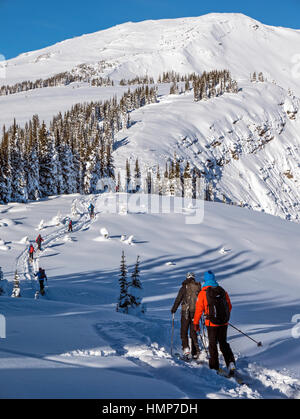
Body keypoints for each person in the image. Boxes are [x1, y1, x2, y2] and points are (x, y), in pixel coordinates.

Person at [194, 271, 235, 375]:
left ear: (205, 280)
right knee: (223, 343)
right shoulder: (222, 291)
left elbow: (199, 309)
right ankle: (230, 363)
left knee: (212, 345)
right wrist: (223, 317)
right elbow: (229, 306)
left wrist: (196, 323)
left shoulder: (203, 293)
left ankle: (214, 367)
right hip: (224, 323)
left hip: (211, 323)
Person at [171, 272, 202, 359]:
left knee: (184, 331)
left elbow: (178, 299)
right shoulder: (198, 287)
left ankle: (186, 349)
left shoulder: (184, 287)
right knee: (193, 332)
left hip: (185, 313)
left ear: (187, 278)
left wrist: (174, 309)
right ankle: (195, 352)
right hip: (195, 313)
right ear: (194, 278)